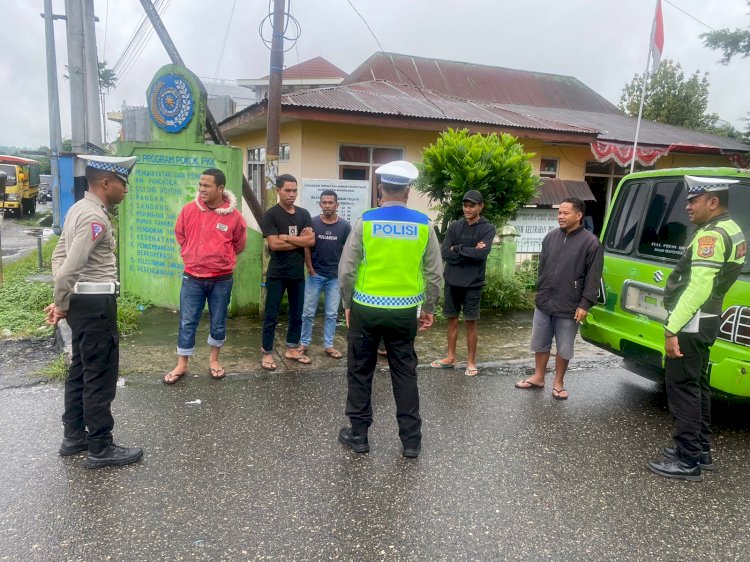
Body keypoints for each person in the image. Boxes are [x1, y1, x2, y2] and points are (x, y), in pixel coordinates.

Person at [337, 160, 443, 458]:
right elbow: (435, 274)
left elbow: (346, 270)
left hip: (365, 308)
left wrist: (347, 304)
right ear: (408, 191)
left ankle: (359, 436)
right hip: (405, 311)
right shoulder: (424, 225)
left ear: (381, 189)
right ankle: (411, 441)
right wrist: (429, 307)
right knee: (404, 372)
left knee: (360, 371)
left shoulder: (366, 221)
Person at [45, 155, 143, 469]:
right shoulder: (94, 218)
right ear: (105, 183)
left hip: (81, 305)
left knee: (80, 370)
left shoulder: (78, 209)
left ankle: (74, 436)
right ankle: (101, 446)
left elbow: (57, 258)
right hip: (95, 307)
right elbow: (69, 267)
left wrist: (64, 300)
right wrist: (61, 302)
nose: (126, 189)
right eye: (122, 183)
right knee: (99, 374)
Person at [648, 176, 746, 481]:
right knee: (698, 385)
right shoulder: (733, 230)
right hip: (707, 319)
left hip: (692, 322)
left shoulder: (711, 236)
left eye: (694, 200)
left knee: (683, 388)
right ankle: (700, 450)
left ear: (713, 202)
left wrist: (670, 328)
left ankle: (687, 460)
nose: (687, 207)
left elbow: (698, 287)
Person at [163, 168, 247, 385]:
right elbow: (180, 234)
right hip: (192, 277)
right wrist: (192, 253)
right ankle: (182, 364)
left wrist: (221, 257)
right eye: (200, 185)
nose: (201, 189)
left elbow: (239, 243)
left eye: (207, 185)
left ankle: (214, 360)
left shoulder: (234, 217)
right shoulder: (189, 210)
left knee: (218, 322)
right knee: (187, 321)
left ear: (220, 188)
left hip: (221, 279)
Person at [514, 197, 603, 400]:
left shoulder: (591, 243)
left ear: (578, 215)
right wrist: (540, 290)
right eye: (559, 213)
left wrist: (585, 304)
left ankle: (558, 382)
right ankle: (538, 377)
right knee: (540, 342)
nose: (560, 217)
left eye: (565, 213)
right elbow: (543, 267)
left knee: (564, 346)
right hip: (545, 301)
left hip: (570, 304)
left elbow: (593, 277)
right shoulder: (551, 237)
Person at [430, 190, 496, 376]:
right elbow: (445, 253)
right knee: (451, 320)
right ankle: (450, 357)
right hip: (452, 280)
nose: (467, 209)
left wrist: (457, 249)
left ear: (480, 207)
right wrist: (468, 251)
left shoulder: (487, 229)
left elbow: (481, 254)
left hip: (473, 284)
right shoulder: (455, 227)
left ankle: (471, 362)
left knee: (470, 323)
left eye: (472, 205)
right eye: (465, 205)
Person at [261, 174, 315, 370]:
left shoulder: (303, 214)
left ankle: (292, 348)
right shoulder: (271, 215)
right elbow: (274, 245)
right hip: (277, 273)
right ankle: (267, 352)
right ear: (278, 190)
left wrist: (285, 237)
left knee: (297, 313)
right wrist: (298, 240)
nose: (292, 194)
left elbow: (310, 241)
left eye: (294, 191)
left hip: (297, 274)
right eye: (287, 190)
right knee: (271, 315)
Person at [298, 189, 351, 359]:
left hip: (334, 278)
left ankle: (328, 345)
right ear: (320, 204)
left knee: (331, 314)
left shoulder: (344, 226)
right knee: (307, 312)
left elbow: (348, 251)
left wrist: (342, 272)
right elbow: (306, 246)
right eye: (324, 202)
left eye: (331, 202)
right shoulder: (312, 223)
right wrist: (310, 268)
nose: (327, 205)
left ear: (337, 205)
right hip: (315, 275)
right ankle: (304, 343)